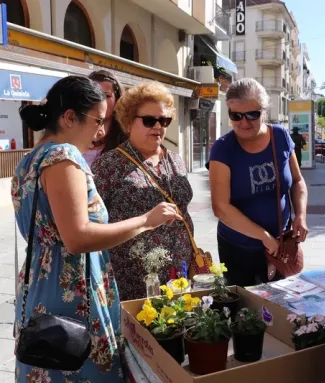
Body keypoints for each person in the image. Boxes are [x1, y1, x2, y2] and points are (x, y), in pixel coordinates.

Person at [11, 76, 179, 382]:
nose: (101, 132)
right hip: (73, 292)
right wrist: (145, 221)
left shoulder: (28, 161)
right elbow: (78, 237)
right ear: (69, 117)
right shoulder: (64, 157)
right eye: (97, 121)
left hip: (39, 284)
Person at [92, 81, 193, 301]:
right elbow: (92, 222)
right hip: (136, 277)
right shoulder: (109, 165)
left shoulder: (175, 159)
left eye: (164, 120)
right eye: (149, 121)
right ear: (128, 123)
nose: (158, 126)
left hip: (181, 270)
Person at [208, 78, 308, 286]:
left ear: (264, 111)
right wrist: (263, 236)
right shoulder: (223, 148)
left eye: (252, 115)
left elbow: (297, 181)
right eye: (236, 116)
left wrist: (301, 215)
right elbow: (221, 207)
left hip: (281, 246)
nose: (244, 122)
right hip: (239, 249)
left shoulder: (280, 136)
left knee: (279, 309)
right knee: (244, 311)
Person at [83, 70, 125, 166]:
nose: (101, 101)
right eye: (95, 95)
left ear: (117, 99)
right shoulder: (73, 136)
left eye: (107, 96)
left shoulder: (127, 140)